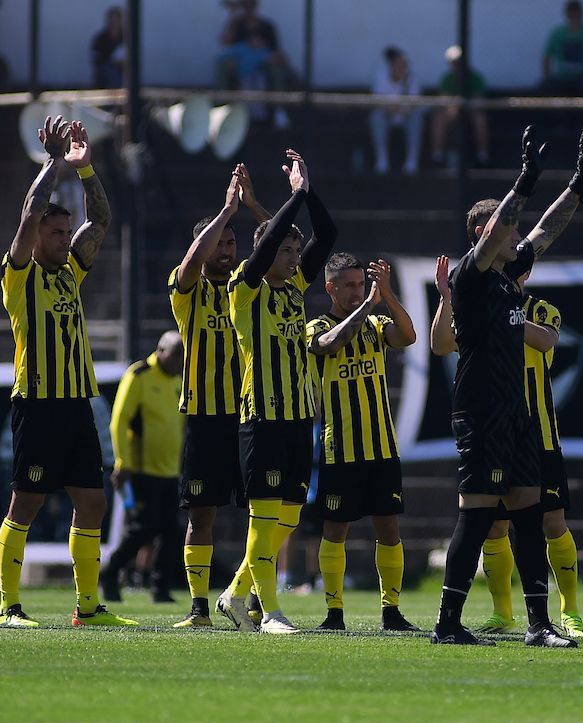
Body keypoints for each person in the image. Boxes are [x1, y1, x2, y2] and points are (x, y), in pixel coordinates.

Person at [431, 126, 583, 648]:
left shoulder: (509, 277)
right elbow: (501, 233)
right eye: (503, 230)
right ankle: (447, 623)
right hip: (480, 411)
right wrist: (525, 180)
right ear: (483, 236)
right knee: (479, 513)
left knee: (529, 511)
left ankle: (538, 624)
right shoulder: (472, 276)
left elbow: (546, 231)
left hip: (516, 412)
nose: (515, 234)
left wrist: (579, 182)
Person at [0, 116, 135, 629]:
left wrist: (87, 169)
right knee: (26, 502)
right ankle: (8, 607)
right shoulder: (19, 276)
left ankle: (88, 607)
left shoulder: (71, 271)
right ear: (35, 238)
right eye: (54, 233)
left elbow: (100, 221)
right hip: (36, 403)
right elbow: (30, 212)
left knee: (93, 502)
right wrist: (53, 163)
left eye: (63, 231)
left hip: (76, 404)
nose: (63, 239)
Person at [215, 148, 337, 634]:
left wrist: (307, 192)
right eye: (285, 252)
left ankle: (234, 595)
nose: (293, 259)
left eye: (293, 252)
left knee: (285, 523)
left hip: (297, 419)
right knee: (264, 522)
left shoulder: (291, 289)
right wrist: (292, 198)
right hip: (260, 417)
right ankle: (271, 613)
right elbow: (262, 250)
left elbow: (327, 236)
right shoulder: (245, 289)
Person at [166, 164, 270, 629]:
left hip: (250, 415)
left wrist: (250, 207)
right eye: (219, 243)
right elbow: (189, 268)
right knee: (201, 514)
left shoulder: (248, 288)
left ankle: (254, 599)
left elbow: (282, 243)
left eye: (231, 242)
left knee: (261, 510)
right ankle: (199, 608)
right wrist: (227, 210)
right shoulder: (188, 292)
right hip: (205, 416)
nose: (226, 250)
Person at [306, 255, 419, 632]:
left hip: (383, 447)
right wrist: (368, 305)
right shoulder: (317, 325)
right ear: (330, 288)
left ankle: (391, 610)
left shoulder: (376, 322)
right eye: (349, 285)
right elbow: (331, 345)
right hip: (341, 448)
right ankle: (334, 612)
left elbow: (408, 336)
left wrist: (387, 295)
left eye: (360, 284)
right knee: (335, 530)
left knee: (389, 530)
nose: (357, 291)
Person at [100, 331, 185, 605]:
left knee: (171, 531)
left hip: (170, 471)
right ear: (160, 350)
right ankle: (110, 573)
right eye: (175, 356)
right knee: (142, 529)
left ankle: (159, 588)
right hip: (141, 469)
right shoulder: (139, 375)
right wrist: (122, 463)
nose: (178, 363)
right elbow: (119, 420)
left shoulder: (178, 381)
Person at [218, 0, 293, 129]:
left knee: (275, 70)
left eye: (251, 4)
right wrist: (232, 16)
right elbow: (225, 45)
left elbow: (275, 52)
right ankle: (219, 108)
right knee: (223, 65)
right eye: (245, 5)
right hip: (241, 68)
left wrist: (262, 51)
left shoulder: (266, 26)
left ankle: (278, 109)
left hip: (262, 67)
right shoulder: (237, 25)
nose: (248, 8)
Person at [431, 45, 491, 168]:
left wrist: (464, 107)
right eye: (454, 63)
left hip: (471, 111)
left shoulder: (476, 78)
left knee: (480, 119)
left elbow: (478, 101)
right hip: (452, 111)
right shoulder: (447, 79)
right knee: (439, 119)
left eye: (459, 62)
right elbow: (444, 100)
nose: (457, 65)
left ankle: (482, 154)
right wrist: (453, 108)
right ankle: (438, 155)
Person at [370, 47, 425, 175]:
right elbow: (378, 101)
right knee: (376, 117)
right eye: (399, 65)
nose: (403, 68)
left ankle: (412, 161)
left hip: (406, 115)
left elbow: (413, 103)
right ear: (392, 65)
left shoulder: (412, 78)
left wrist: (402, 110)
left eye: (405, 65)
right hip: (387, 115)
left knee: (417, 117)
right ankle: (381, 160)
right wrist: (392, 109)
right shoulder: (381, 76)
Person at [541, 1, 583, 95]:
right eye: (571, 13)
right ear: (566, 14)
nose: (574, 16)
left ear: (582, 14)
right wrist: (547, 76)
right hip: (563, 78)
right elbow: (546, 57)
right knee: (548, 86)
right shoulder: (557, 34)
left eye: (576, 13)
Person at [90, 6, 125, 87]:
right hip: (106, 72)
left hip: (123, 72)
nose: (114, 23)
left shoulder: (126, 38)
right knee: (109, 71)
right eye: (112, 20)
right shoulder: (100, 38)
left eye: (116, 20)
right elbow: (95, 58)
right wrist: (112, 61)